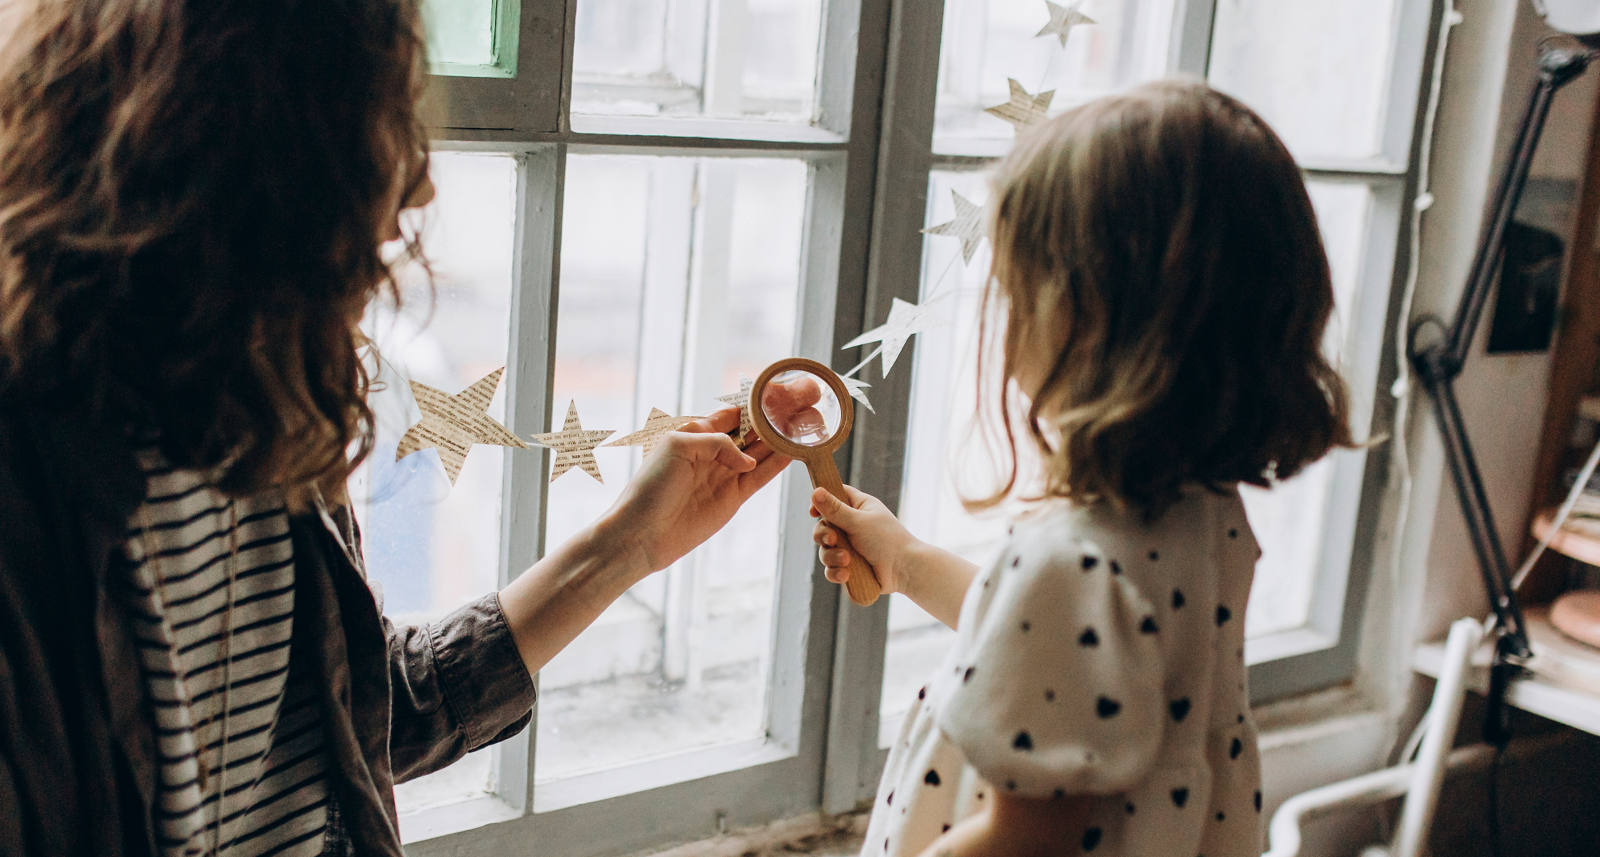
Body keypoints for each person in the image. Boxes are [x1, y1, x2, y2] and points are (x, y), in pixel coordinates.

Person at [0, 2, 785, 855]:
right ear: (252, 148)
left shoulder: (270, 403)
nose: (418, 187)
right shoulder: (29, 482)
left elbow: (355, 714)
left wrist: (627, 546)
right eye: (382, 130)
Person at [809, 79, 1354, 857]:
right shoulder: (1198, 512)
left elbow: (1025, 840)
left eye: (1012, 285)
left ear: (1090, 315)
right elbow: (1079, 667)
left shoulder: (1070, 562)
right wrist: (904, 562)